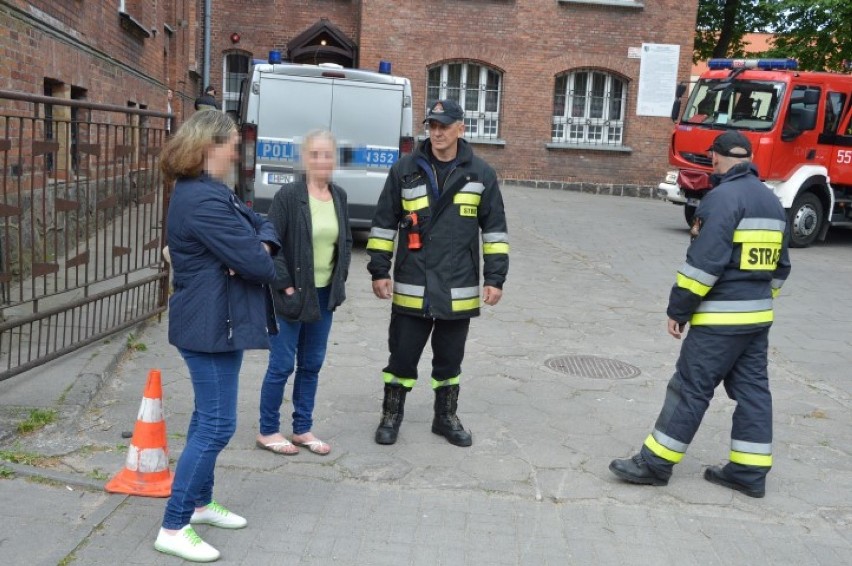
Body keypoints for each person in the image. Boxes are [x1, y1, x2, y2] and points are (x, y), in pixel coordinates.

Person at [609, 131, 792, 498]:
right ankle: (749, 472)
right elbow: (780, 268)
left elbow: (702, 267)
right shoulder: (772, 202)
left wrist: (679, 310)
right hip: (757, 320)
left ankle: (654, 464)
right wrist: (757, 300)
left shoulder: (721, 199)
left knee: (690, 389)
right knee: (754, 392)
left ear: (715, 158)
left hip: (718, 322)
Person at [154, 110, 280, 562]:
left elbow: (262, 226)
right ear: (211, 146)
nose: (236, 152)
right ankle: (174, 524)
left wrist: (256, 245)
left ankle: (201, 503)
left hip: (219, 322)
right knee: (218, 424)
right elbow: (261, 265)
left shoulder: (213, 192)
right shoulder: (203, 201)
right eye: (232, 144)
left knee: (206, 418)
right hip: (207, 326)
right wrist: (255, 252)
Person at [366, 99, 509, 447]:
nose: (437, 132)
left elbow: (494, 231)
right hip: (413, 281)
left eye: (444, 126)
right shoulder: (405, 170)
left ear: (461, 128)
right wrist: (378, 270)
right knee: (401, 356)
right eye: (432, 125)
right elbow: (384, 224)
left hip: (457, 285)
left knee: (449, 361)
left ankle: (445, 417)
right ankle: (391, 414)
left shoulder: (481, 174)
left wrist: (495, 278)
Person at [256, 130, 352, 456]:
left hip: (325, 296)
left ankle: (302, 429)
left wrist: (340, 282)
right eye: (316, 154)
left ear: (334, 160)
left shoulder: (339, 195)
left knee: (311, 363)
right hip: (291, 294)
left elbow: (347, 243)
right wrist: (284, 284)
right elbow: (272, 240)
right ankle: (268, 430)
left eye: (328, 155)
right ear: (305, 159)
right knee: (282, 364)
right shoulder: (289, 196)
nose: (322, 161)